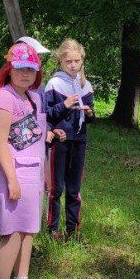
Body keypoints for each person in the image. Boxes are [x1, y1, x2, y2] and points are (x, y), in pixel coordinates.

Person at [0, 41, 67, 279]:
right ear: (9, 69)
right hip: (13, 174)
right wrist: (11, 179)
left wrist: (45, 171)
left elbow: (37, 137)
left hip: (34, 173)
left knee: (29, 230)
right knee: (12, 232)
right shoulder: (3, 98)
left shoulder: (34, 98)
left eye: (31, 70)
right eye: (20, 68)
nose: (25, 74)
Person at [44, 39, 94, 240]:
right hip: (60, 141)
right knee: (57, 188)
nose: (73, 65)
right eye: (69, 62)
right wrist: (64, 104)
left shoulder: (86, 85)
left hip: (79, 140)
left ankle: (73, 230)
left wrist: (90, 114)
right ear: (61, 62)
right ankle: (53, 229)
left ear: (82, 60)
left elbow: (91, 117)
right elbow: (46, 114)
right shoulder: (54, 83)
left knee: (74, 189)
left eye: (77, 61)